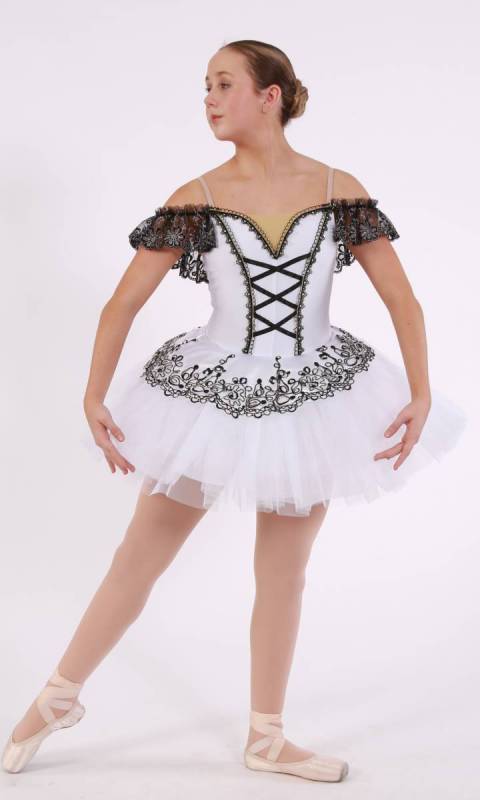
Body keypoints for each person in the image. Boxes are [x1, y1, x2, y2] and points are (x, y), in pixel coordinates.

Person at [2, 39, 467, 782]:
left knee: (284, 572)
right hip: (211, 398)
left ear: (269, 96)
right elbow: (122, 303)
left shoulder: (338, 190)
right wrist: (92, 393)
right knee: (137, 561)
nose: (210, 100)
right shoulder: (197, 197)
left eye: (224, 84)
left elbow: (402, 298)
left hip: (314, 398)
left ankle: (266, 737)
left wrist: (420, 390)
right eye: (206, 87)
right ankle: (56, 698)